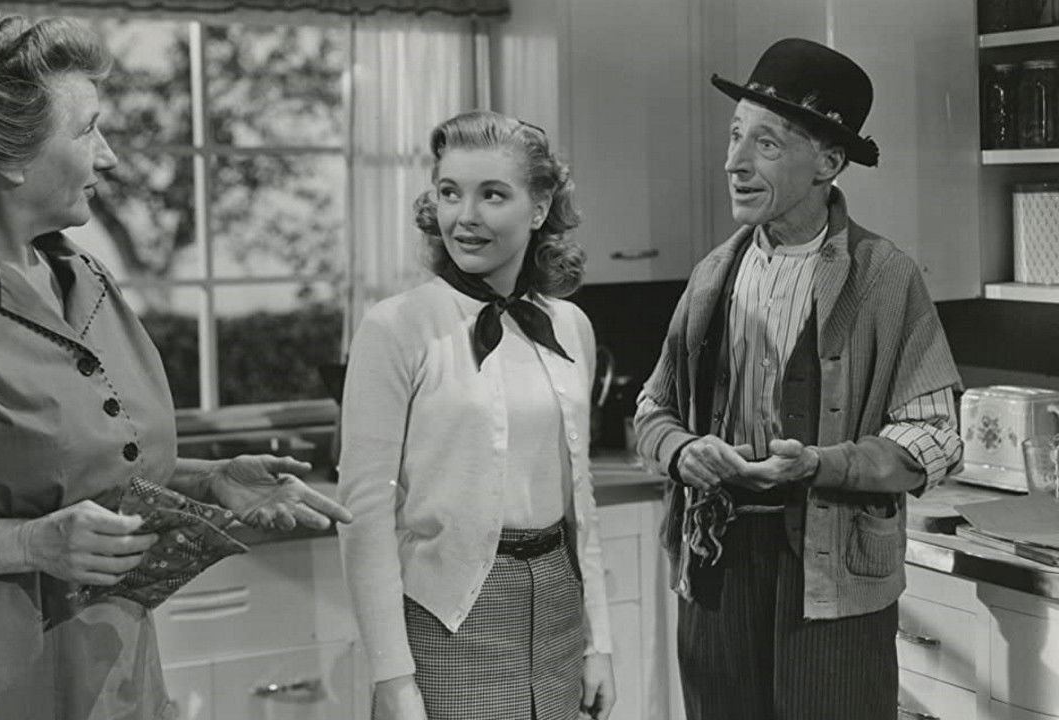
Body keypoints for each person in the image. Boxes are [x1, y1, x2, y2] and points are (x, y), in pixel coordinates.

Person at [0, 2, 350, 719]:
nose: (109, 155)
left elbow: (72, 465)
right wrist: (26, 544)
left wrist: (208, 483)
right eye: (87, 131)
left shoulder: (86, 281)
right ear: (13, 158)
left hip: (116, 681)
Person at [633, 38, 964, 720]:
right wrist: (681, 450)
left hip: (831, 575)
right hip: (716, 564)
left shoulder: (883, 276)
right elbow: (652, 409)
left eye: (767, 145)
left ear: (830, 161)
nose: (734, 162)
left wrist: (821, 462)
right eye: (733, 138)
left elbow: (934, 438)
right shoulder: (710, 277)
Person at [337, 110, 616, 720]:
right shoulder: (396, 327)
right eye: (449, 192)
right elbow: (364, 515)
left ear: (539, 208)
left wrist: (600, 643)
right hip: (450, 617)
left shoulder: (570, 326)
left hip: (558, 608)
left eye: (493, 195)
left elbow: (581, 497)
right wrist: (391, 677)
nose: (465, 217)